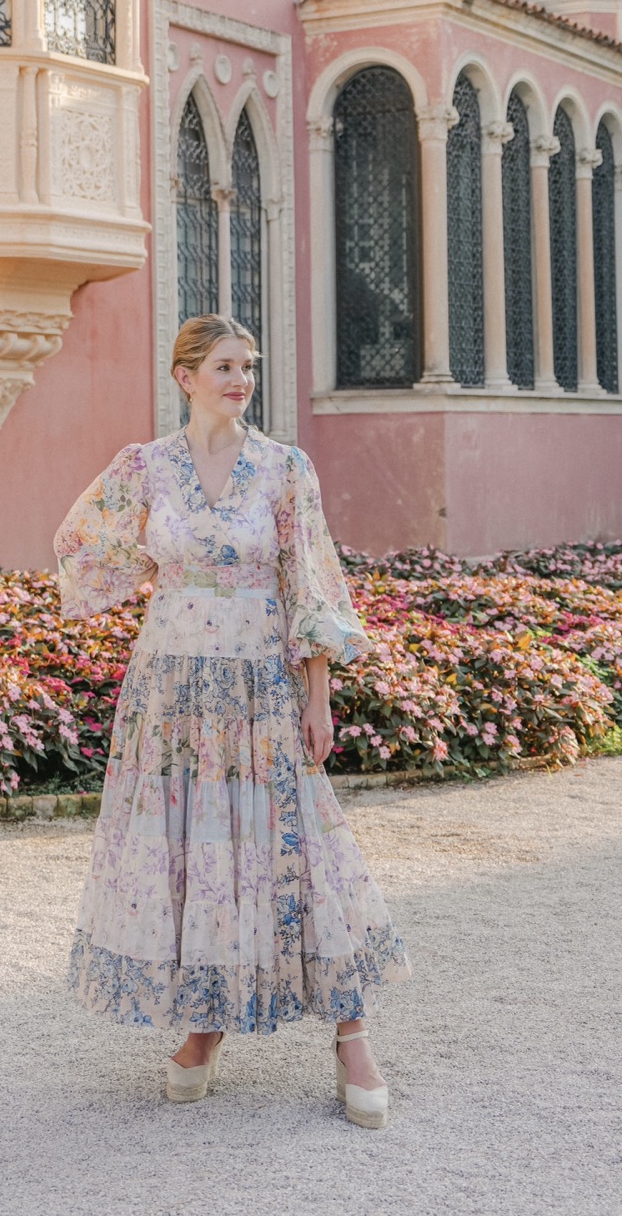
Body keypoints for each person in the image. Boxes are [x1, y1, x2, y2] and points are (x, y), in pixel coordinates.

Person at [56, 314, 409, 1128]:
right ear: (184, 377)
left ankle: (352, 1036)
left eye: (247, 366)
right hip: (170, 692)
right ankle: (205, 1024)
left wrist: (318, 696)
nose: (241, 379)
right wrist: (148, 573)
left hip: (261, 686)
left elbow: (310, 584)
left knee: (305, 848)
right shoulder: (145, 468)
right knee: (196, 852)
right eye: (224, 366)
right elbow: (80, 546)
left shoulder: (284, 470)